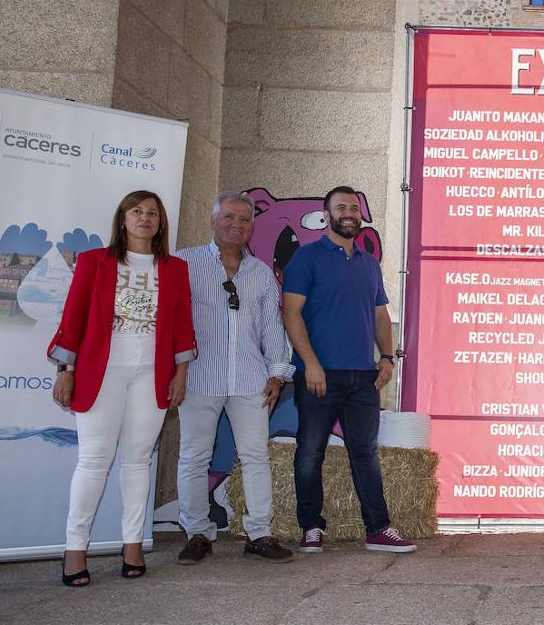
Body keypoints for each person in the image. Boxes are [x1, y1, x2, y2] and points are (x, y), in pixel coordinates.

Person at [47, 190, 197, 586]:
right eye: (137, 212)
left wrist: (181, 374)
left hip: (153, 374)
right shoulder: (94, 262)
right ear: (123, 218)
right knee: (94, 461)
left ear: (160, 222)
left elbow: (183, 325)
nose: (144, 218)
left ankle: (132, 544)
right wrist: (66, 368)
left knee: (138, 460)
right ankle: (74, 549)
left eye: (152, 213)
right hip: (102, 372)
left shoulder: (175, 269)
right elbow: (73, 316)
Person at [282, 186, 415, 554]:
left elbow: (380, 315)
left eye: (353, 208)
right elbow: (291, 313)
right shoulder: (305, 258)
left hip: (363, 378)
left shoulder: (369, 264)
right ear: (326, 215)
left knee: (365, 453)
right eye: (340, 207)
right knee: (310, 452)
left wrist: (387, 357)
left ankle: (378, 528)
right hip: (319, 375)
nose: (348, 213)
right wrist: (310, 363)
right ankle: (311, 526)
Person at [175, 191, 295, 565]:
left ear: (252, 226)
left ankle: (259, 533)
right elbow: (170, 323)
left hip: (250, 379)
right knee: (194, 457)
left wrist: (277, 373)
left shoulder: (260, 272)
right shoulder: (184, 263)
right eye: (229, 217)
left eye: (244, 219)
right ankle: (197, 533)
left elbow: (273, 328)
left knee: (256, 456)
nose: (236, 225)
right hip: (197, 376)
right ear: (213, 220)